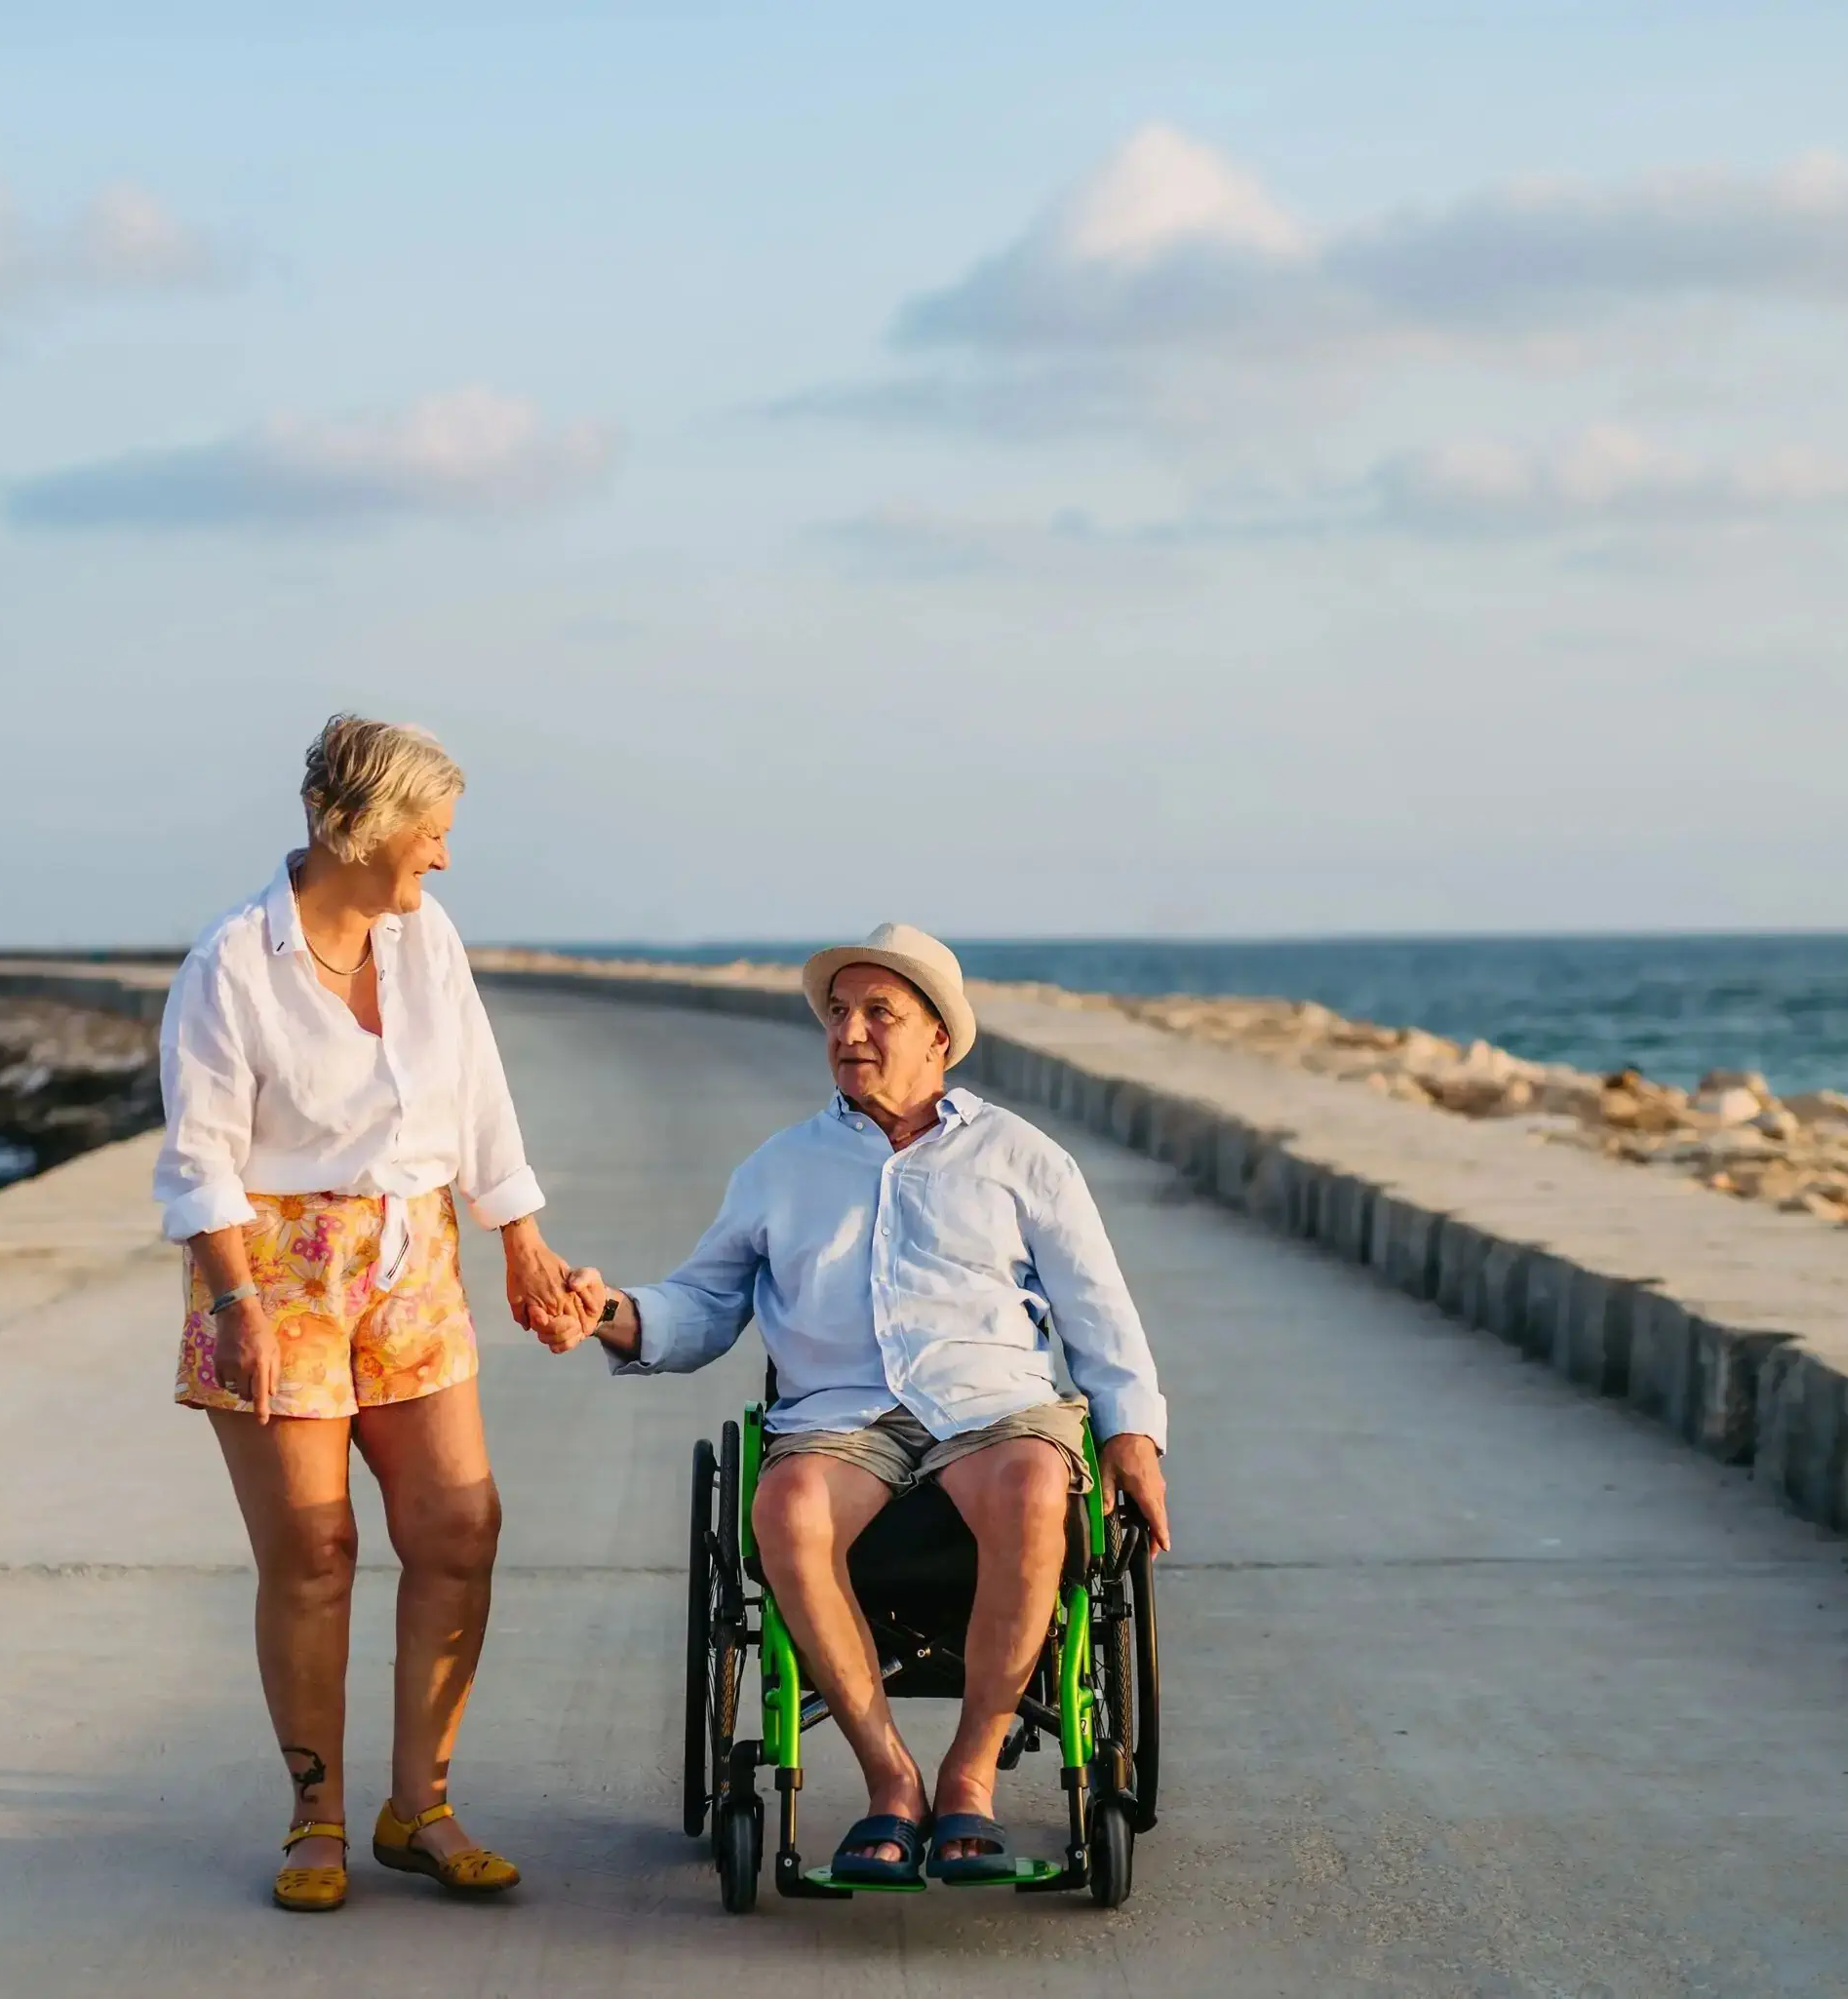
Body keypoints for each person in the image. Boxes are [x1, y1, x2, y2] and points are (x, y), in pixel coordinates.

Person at [538, 923, 1170, 1886]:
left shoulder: (1020, 1157)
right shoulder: (780, 1168)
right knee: (784, 1507)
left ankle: (969, 1778)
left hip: (990, 1410)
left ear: (940, 1041)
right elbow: (701, 1305)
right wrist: (608, 1312)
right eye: (839, 1013)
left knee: (1041, 1484)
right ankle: (891, 1783)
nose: (852, 1031)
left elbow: (1098, 1309)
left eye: (881, 1012)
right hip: (840, 1420)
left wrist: (1131, 1435)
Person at [158, 714, 576, 1913]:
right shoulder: (232, 963)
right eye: (431, 833)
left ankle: (419, 1807)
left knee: (460, 1526)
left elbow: (477, 1088)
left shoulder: (423, 935)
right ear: (363, 829)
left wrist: (521, 1234)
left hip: (413, 1253)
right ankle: (316, 1815)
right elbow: (198, 1161)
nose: (443, 858)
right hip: (270, 1267)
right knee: (315, 1552)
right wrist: (237, 1303)